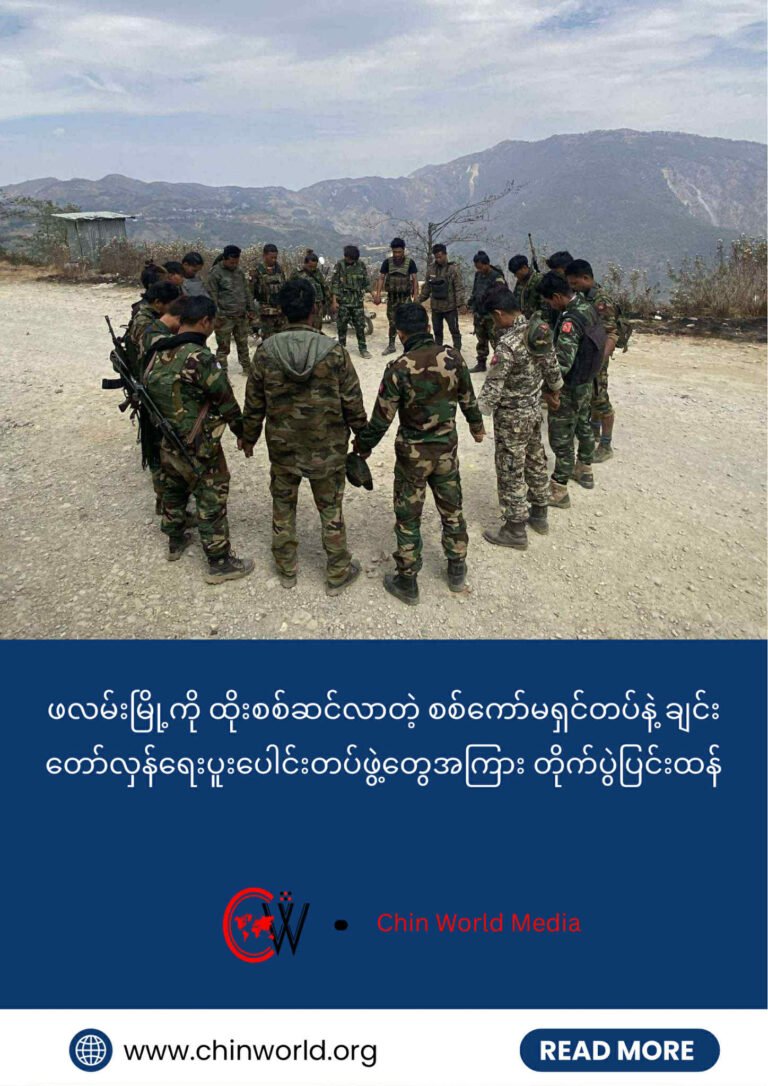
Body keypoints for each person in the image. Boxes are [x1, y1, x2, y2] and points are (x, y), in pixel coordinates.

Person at [241, 278, 367, 595]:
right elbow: (353, 401)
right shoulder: (334, 352)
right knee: (331, 508)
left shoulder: (265, 352)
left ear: (282, 311)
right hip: (328, 447)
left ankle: (287, 568)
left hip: (283, 448)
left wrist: (249, 436)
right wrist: (362, 439)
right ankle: (337, 572)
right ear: (315, 309)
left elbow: (254, 403)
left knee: (283, 505)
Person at [354, 302, 485, 605]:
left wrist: (362, 446)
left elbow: (382, 419)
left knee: (408, 517)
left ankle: (408, 581)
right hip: (446, 452)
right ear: (427, 327)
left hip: (412, 458)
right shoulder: (453, 358)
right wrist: (477, 428)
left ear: (400, 333)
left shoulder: (398, 368)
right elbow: (468, 399)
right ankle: (456, 569)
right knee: (451, 509)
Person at [144, 295, 254, 583]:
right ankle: (219, 562)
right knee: (211, 494)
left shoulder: (158, 352)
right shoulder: (200, 358)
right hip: (198, 444)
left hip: (167, 439)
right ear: (205, 322)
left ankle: (175, 540)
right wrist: (243, 433)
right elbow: (225, 400)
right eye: (213, 323)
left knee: (174, 487)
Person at [478, 286, 562, 549]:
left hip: (511, 418)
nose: (494, 323)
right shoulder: (539, 331)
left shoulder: (507, 345)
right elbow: (553, 369)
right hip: (534, 411)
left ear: (499, 313)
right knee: (536, 460)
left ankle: (515, 529)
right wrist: (554, 392)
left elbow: (493, 387)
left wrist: (477, 416)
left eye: (494, 319)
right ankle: (539, 514)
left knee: (510, 469)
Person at [538, 272, 604, 508]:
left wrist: (549, 389)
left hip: (570, 386)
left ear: (557, 297)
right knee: (583, 425)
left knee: (561, 437)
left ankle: (559, 489)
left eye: (549, 301)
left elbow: (562, 364)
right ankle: (584, 469)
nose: (549, 305)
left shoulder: (570, 321)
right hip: (586, 381)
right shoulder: (588, 307)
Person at [565, 259, 620, 462]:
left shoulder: (601, 300)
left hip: (597, 358)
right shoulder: (584, 296)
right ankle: (594, 431)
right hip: (587, 357)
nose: (572, 287)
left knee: (600, 399)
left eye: (575, 283)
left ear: (586, 278)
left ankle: (606, 445)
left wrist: (599, 360)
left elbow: (612, 333)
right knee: (590, 397)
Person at [206, 245, 255, 373]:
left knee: (243, 344)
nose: (234, 265)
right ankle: (222, 372)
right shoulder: (215, 273)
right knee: (223, 347)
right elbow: (212, 296)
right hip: (224, 317)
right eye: (232, 262)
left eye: (236, 262)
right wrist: (216, 316)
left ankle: (247, 368)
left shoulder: (239, 272)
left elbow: (246, 291)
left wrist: (251, 308)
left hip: (240, 315)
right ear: (225, 259)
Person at [373, 237, 418, 355]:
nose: (397, 254)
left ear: (403, 250)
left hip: (405, 297)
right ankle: (391, 345)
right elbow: (381, 278)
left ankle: (410, 346)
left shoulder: (410, 262)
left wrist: (416, 296)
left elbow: (414, 280)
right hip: (392, 298)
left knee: (408, 322)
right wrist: (377, 294)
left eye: (399, 252)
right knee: (392, 322)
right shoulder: (387, 262)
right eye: (395, 252)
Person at [126, 281, 182, 374]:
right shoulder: (143, 320)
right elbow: (153, 343)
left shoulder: (151, 314)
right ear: (158, 302)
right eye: (172, 305)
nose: (174, 309)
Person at [418, 243, 465, 351]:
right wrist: (419, 299)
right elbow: (427, 287)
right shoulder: (431, 269)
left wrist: (461, 304)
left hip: (450, 308)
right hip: (436, 307)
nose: (438, 259)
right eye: (436, 257)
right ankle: (438, 351)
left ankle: (457, 351)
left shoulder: (453, 269)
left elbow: (458, 287)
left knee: (454, 331)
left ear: (445, 254)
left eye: (440, 257)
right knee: (437, 332)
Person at [467, 251, 506, 373]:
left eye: (480, 267)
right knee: (481, 340)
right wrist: (470, 303)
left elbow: (501, 294)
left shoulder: (497, 276)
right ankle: (481, 363)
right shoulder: (478, 275)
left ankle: (500, 364)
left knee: (496, 340)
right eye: (477, 267)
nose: (479, 270)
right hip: (479, 313)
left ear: (487, 264)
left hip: (492, 315)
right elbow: (475, 291)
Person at [330, 245, 371, 358]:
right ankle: (341, 348)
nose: (348, 260)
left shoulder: (361, 265)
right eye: (347, 257)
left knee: (360, 326)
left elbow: (366, 282)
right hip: (343, 302)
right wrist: (334, 301)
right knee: (342, 326)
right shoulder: (340, 265)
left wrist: (373, 294)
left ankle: (363, 349)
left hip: (357, 302)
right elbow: (335, 284)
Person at [251, 243, 287, 340]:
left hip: (280, 312)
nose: (274, 260)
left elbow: (284, 287)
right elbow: (250, 293)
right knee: (268, 340)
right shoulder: (257, 271)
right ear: (264, 256)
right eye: (271, 257)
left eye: (275, 257)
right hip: (265, 313)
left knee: (282, 339)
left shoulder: (279, 270)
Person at [290, 251, 330, 332]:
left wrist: (327, 301)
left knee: (317, 328)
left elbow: (324, 287)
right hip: (304, 305)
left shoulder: (318, 273)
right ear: (305, 263)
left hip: (318, 305)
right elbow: (290, 288)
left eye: (314, 267)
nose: (312, 269)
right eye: (310, 267)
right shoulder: (297, 273)